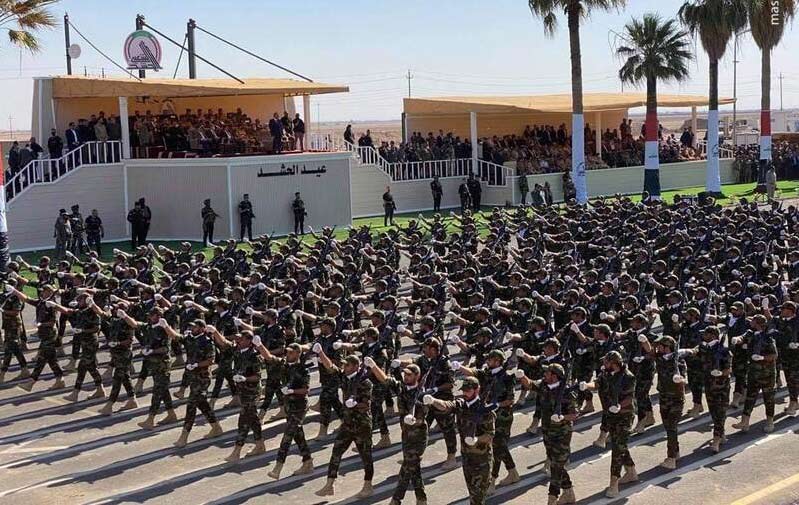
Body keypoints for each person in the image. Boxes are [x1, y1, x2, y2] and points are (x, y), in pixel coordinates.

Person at [314, 348, 375, 499]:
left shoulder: (365, 382)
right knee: (336, 452)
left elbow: (366, 405)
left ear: (355, 366)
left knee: (365, 457)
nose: (344, 367)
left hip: (362, 425)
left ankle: (368, 486)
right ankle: (330, 485)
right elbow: (331, 368)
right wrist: (321, 353)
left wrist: (354, 404)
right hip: (347, 424)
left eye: (347, 365)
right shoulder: (345, 378)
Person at [425, 376, 495, 505]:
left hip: (481, 461)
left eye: (468, 390)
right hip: (467, 457)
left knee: (477, 497)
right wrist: (433, 401)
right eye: (464, 390)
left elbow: (490, 436)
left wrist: (476, 440)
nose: (465, 393)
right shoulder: (461, 404)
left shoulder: (486, 411)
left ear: (477, 390)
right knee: (472, 492)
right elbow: (447, 405)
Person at [517, 363, 578, 505]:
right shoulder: (544, 385)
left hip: (562, 433)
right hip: (547, 431)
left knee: (556, 466)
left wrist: (563, 417)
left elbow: (574, 415)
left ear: (555, 376)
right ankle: (569, 492)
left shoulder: (566, 392)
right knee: (556, 464)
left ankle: (552, 498)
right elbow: (530, 384)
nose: (545, 374)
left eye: (548, 373)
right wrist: (522, 376)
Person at [581, 351, 638, 498]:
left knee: (617, 450)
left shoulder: (628, 377)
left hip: (624, 416)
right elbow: (597, 384)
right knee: (620, 445)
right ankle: (631, 471)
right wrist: (586, 385)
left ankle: (614, 484)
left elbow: (629, 398)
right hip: (610, 415)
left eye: (606, 362)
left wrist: (619, 405)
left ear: (614, 363)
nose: (604, 365)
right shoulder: (606, 373)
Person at [173, 319, 224, 447]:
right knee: (202, 404)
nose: (193, 329)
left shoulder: (206, 341)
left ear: (202, 328)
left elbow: (211, 360)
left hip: (202, 378)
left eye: (195, 327)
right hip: (193, 377)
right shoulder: (191, 338)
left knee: (191, 405)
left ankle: (184, 436)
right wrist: (165, 327)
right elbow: (177, 337)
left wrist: (196, 365)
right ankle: (216, 427)